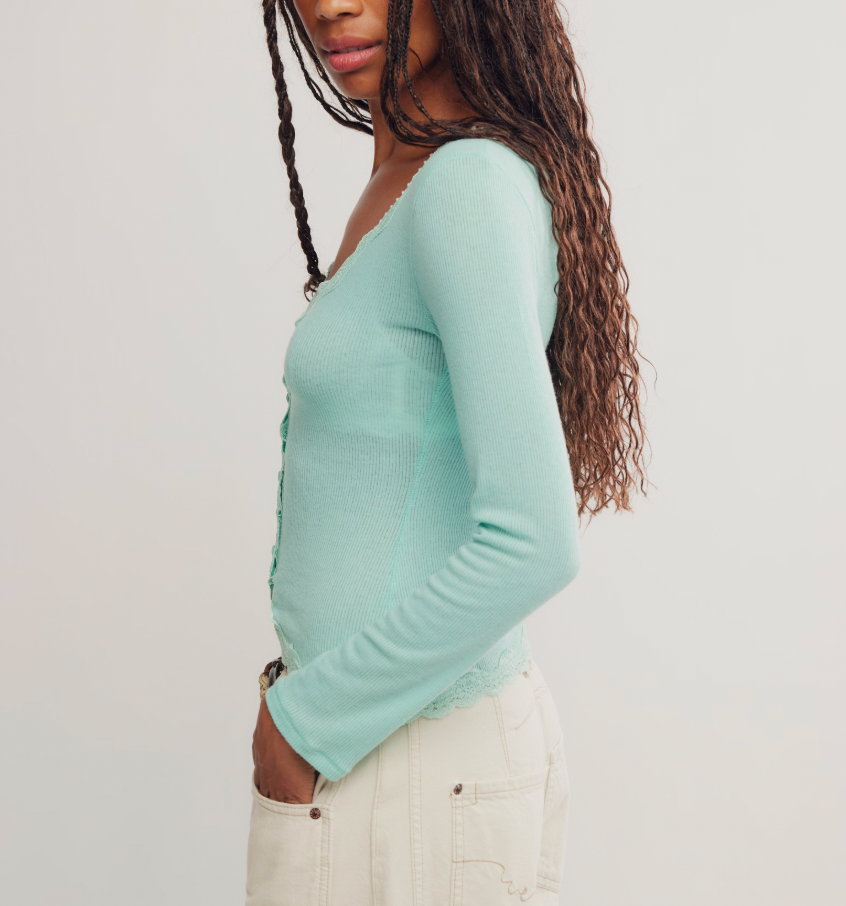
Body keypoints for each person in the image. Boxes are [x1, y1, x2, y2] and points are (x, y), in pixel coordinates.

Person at [247, 0, 649, 901]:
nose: (329, 5)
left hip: (409, 770)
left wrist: (304, 724)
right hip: (393, 762)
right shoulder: (414, 176)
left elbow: (534, 540)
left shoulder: (463, 182)